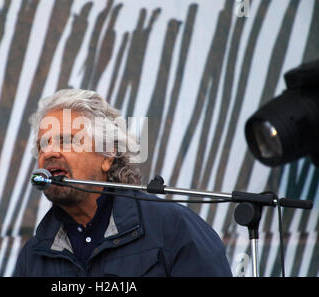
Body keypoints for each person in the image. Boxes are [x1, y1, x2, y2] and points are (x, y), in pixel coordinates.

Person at [13, 89, 232, 277]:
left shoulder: (174, 229)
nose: (49, 152)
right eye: (43, 145)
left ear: (107, 156)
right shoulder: (33, 256)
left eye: (66, 141)